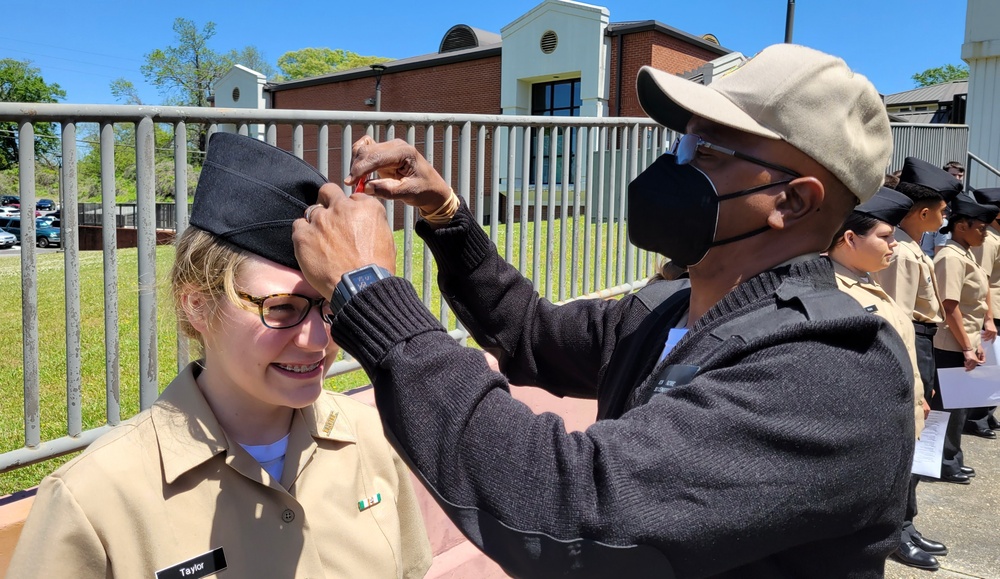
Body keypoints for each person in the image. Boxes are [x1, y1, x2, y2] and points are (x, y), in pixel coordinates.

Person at [293, 43, 915, 578]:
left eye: (708, 152)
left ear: (794, 202)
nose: (673, 165)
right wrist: (446, 214)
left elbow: (573, 508)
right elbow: (530, 332)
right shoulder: (670, 311)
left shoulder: (833, 371)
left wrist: (367, 290)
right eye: (681, 144)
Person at [7, 133, 431, 578]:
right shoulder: (95, 498)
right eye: (281, 308)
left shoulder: (375, 438)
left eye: (331, 304)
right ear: (197, 304)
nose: (314, 339)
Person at [827, 187, 941, 570]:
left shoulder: (864, 279)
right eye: (885, 236)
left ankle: (896, 533)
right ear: (849, 238)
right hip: (872, 420)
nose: (894, 244)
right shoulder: (834, 290)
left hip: (897, 408)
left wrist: (916, 395)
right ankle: (888, 539)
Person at [931, 194, 999, 480]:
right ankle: (942, 461)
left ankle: (952, 455)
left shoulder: (966, 252)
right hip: (952, 342)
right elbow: (950, 306)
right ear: (961, 226)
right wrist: (967, 347)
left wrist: (979, 334)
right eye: (979, 227)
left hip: (966, 339)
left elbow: (979, 296)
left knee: (960, 406)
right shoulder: (950, 257)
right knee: (948, 408)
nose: (984, 232)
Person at [966, 187, 1000, 433]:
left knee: (996, 367)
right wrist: (988, 318)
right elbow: (983, 279)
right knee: (988, 367)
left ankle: (987, 414)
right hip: (993, 310)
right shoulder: (989, 241)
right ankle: (976, 418)